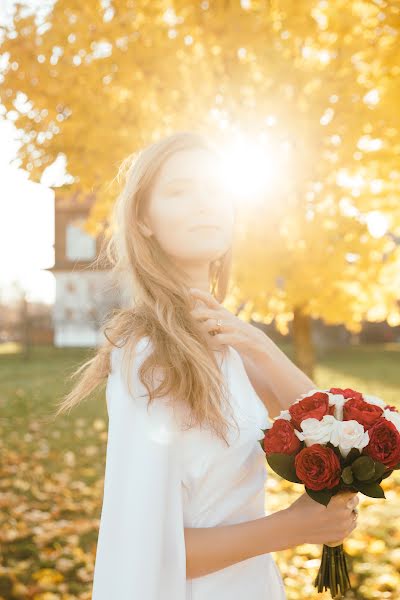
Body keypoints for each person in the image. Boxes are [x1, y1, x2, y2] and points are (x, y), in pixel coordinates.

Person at [55, 131, 359, 599]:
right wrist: (294, 526)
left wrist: (260, 346)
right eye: (180, 191)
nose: (205, 203)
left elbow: (337, 424)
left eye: (216, 189)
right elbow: (146, 551)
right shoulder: (149, 354)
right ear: (144, 220)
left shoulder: (227, 338)